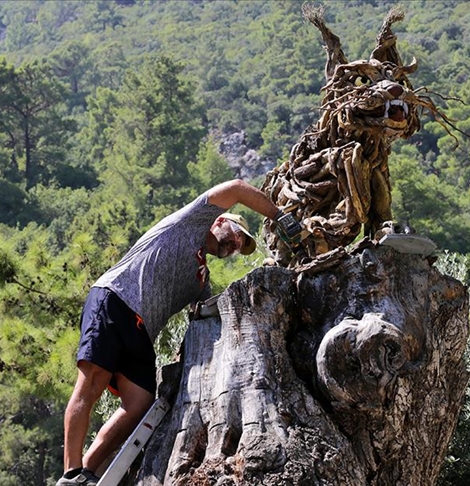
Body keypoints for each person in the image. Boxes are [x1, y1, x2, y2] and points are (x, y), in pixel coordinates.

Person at [56, 179, 301, 486]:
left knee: (139, 403)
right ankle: (70, 472)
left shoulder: (202, 280)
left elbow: (209, 311)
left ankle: (88, 473)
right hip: (116, 300)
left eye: (241, 248)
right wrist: (280, 216)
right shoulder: (192, 222)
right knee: (92, 382)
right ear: (220, 221)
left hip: (143, 331)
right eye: (239, 236)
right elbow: (237, 188)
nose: (235, 247)